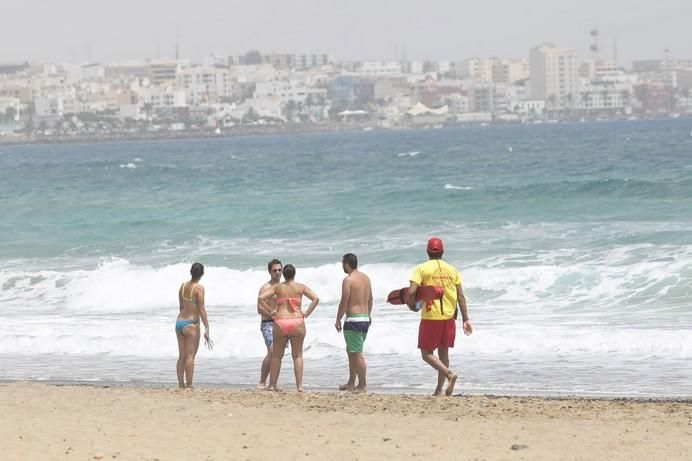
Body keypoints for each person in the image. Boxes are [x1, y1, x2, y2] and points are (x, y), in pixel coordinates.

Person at [407, 238, 472, 396]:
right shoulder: (452, 270)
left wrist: (410, 304)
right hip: (449, 317)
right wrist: (466, 319)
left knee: (426, 353)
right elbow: (461, 296)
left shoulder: (421, 269)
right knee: (444, 353)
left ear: (427, 252)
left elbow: (411, 292)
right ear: (442, 252)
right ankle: (438, 390)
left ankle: (450, 374)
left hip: (431, 317)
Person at [258, 264, 319, 392]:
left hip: (281, 321)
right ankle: (299, 386)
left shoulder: (278, 287)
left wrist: (271, 311)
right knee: (297, 356)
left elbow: (261, 298)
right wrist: (306, 313)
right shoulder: (301, 287)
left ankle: (272, 385)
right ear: (294, 274)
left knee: (276, 356)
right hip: (297, 321)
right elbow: (315, 298)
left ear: (283, 274)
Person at [335, 253, 373, 392]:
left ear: (346, 264)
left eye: (342, 264)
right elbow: (370, 299)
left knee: (357, 353)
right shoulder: (366, 278)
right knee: (352, 351)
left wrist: (338, 319)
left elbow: (344, 301)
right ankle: (351, 382)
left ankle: (362, 384)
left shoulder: (348, 280)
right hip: (364, 319)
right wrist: (368, 315)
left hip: (353, 320)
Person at [175, 262, 211, 389]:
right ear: (202, 274)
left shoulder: (183, 286)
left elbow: (181, 306)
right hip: (191, 324)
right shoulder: (199, 288)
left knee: (182, 356)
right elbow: (201, 309)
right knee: (190, 356)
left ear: (191, 272)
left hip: (179, 323)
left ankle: (181, 384)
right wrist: (206, 327)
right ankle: (189, 385)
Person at [256, 258, 282, 389]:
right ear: (269, 272)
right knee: (272, 351)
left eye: (279, 270)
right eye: (274, 270)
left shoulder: (283, 287)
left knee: (278, 354)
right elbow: (259, 308)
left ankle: (273, 383)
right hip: (267, 323)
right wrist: (270, 312)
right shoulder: (265, 288)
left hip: (281, 324)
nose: (277, 273)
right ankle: (262, 381)